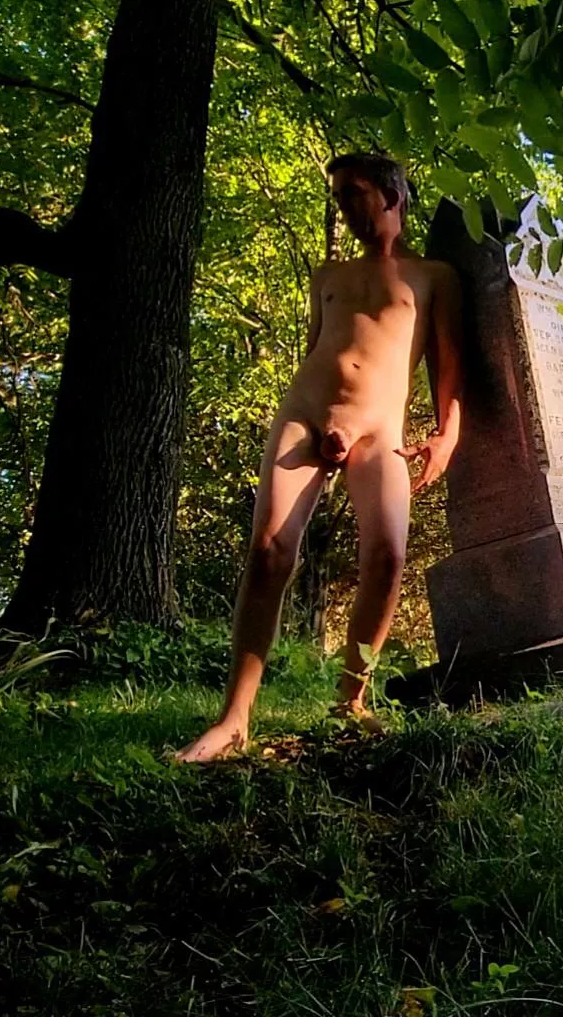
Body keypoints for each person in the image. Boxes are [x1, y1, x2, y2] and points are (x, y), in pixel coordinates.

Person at [176, 154, 462, 762]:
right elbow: (320, 349)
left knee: (387, 556)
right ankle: (233, 719)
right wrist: (325, 427)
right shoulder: (326, 275)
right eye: (338, 199)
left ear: (392, 195)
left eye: (355, 194)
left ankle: (350, 700)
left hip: (379, 431)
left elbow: (449, 368)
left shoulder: (432, 276)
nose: (346, 209)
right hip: (305, 419)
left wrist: (446, 435)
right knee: (269, 552)